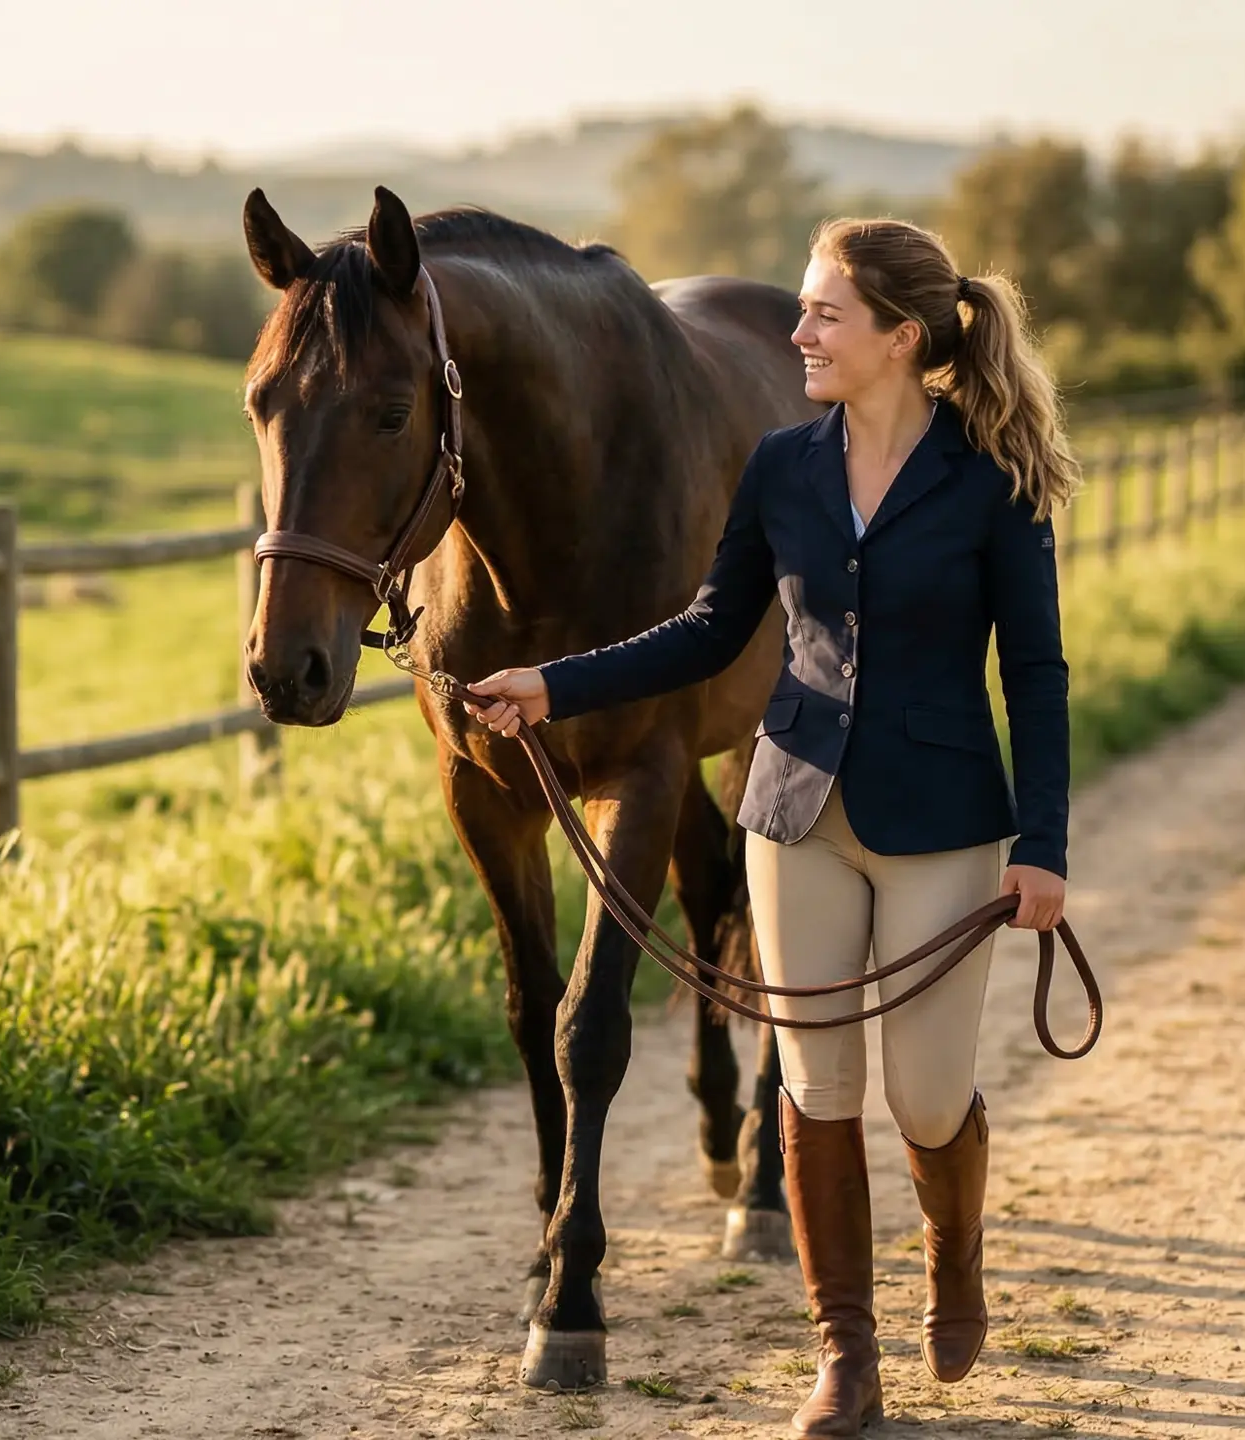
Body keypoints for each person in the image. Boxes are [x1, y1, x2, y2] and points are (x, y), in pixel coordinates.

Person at [463, 216, 1075, 1437]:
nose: (797, 332)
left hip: (943, 822)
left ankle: (953, 1252)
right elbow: (704, 629)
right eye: (799, 310)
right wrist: (555, 683)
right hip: (791, 810)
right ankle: (844, 1354)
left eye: (824, 314)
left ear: (900, 338)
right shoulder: (783, 466)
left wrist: (1043, 845)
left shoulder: (989, 477)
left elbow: (1038, 672)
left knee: (927, 1096)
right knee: (814, 1080)